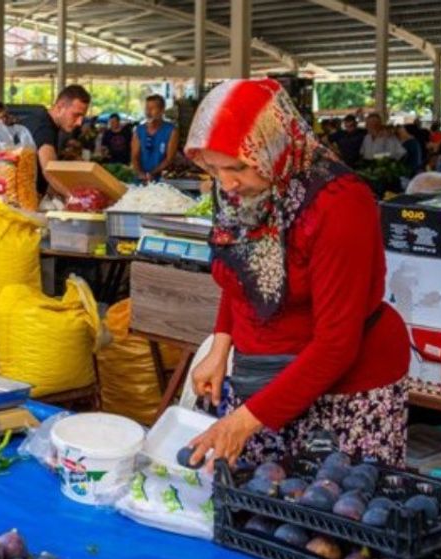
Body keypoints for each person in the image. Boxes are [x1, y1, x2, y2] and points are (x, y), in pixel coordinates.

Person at [181, 78, 410, 468]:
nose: (227, 184)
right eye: (213, 169)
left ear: (275, 146)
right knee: (258, 508)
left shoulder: (339, 203)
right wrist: (220, 348)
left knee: (329, 513)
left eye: (236, 167)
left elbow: (337, 343)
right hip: (261, 380)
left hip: (346, 393)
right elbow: (243, 273)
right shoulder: (241, 189)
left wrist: (243, 422)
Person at [22, 84, 92, 197]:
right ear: (60, 107)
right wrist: (74, 198)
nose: (79, 122)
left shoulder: (39, 119)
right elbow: (50, 169)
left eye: (82, 117)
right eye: (76, 115)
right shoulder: (45, 128)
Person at [131, 94, 179, 182]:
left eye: (152, 108)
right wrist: (140, 173)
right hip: (141, 179)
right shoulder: (139, 130)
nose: (148, 112)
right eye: (147, 108)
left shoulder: (171, 131)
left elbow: (169, 159)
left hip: (162, 180)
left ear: (162, 111)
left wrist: (152, 173)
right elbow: (134, 156)